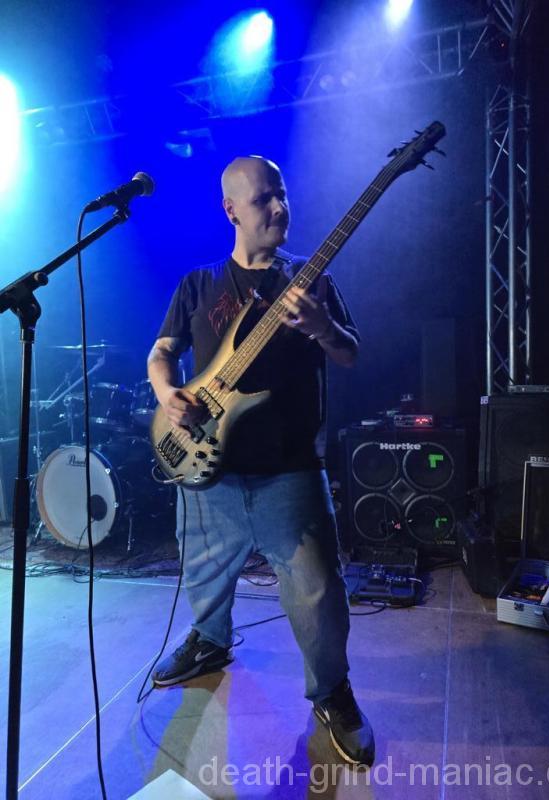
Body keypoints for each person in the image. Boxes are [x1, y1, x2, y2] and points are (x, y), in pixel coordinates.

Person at [147, 156, 374, 767]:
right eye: (263, 199)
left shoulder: (309, 280)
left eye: (282, 194)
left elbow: (351, 352)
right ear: (231, 211)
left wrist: (322, 327)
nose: (279, 208)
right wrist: (168, 393)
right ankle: (209, 640)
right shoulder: (197, 284)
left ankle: (332, 690)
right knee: (202, 571)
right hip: (206, 467)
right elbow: (161, 353)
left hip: (288, 470)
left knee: (318, 594)